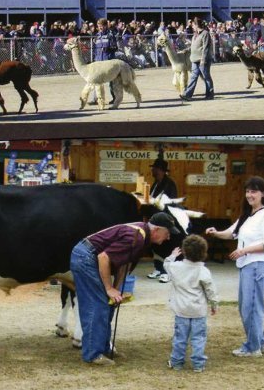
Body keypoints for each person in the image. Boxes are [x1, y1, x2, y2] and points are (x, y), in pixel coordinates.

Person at [70, 212, 181, 366]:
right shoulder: (137, 237)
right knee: (97, 305)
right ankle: (93, 354)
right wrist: (109, 288)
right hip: (85, 257)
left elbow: (124, 264)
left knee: (107, 304)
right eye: (167, 233)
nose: (168, 237)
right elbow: (103, 258)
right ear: (156, 230)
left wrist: (116, 291)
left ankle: (103, 348)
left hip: (88, 256)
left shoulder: (142, 238)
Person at [206, 176, 264, 357]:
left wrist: (244, 250)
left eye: (253, 191)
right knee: (247, 306)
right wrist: (216, 233)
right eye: (247, 191)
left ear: (263, 193)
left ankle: (252, 348)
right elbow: (232, 233)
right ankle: (260, 342)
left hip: (259, 266)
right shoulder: (248, 214)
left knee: (251, 307)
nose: (249, 195)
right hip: (247, 266)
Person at [163, 235, 219, 372]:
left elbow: (166, 264)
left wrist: (172, 255)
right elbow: (210, 290)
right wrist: (214, 304)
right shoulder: (203, 271)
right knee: (198, 338)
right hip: (198, 311)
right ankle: (198, 364)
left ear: (184, 251)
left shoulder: (176, 267)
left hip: (181, 311)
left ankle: (176, 362)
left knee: (180, 338)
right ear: (204, 253)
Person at [147, 159, 178, 282]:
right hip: (155, 219)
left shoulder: (169, 184)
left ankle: (166, 271)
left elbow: (171, 203)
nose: (152, 170)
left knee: (165, 246)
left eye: (154, 168)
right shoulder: (155, 183)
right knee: (156, 246)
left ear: (161, 170)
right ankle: (158, 268)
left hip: (165, 219)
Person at [180, 18, 214, 101]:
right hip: (194, 60)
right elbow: (193, 46)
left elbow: (206, 47)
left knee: (206, 77)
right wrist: (186, 50)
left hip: (203, 60)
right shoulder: (195, 35)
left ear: (196, 25)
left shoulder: (205, 34)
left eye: (193, 25)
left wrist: (203, 59)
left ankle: (210, 94)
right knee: (193, 77)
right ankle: (188, 95)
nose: (192, 27)